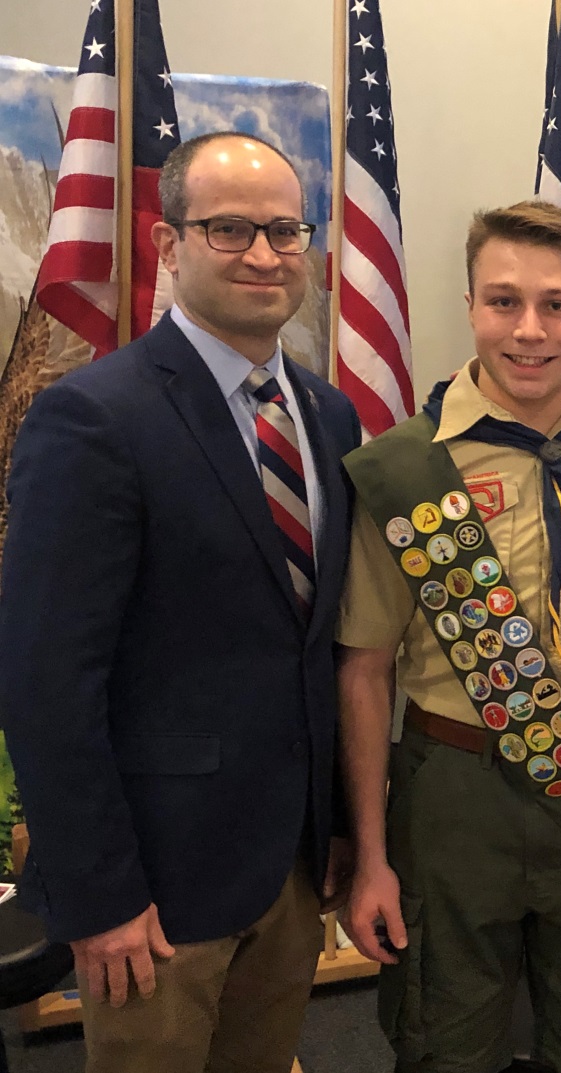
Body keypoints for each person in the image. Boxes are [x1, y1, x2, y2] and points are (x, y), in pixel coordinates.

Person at [0, 131, 360, 1073]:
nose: (263, 253)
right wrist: (100, 895)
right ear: (169, 245)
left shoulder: (328, 416)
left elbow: (312, 646)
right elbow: (46, 682)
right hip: (153, 892)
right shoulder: (93, 417)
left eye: (285, 230)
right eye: (229, 228)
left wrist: (341, 828)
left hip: (289, 867)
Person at [337, 200, 561, 1073]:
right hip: (455, 790)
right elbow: (365, 668)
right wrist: (371, 856)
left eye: (557, 305)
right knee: (444, 1039)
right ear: (469, 307)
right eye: (503, 302)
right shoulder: (407, 465)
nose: (529, 330)